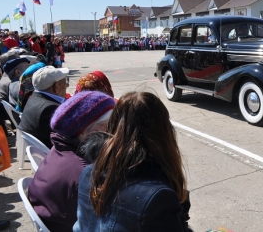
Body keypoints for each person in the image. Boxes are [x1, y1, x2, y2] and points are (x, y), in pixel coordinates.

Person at [74, 91, 192, 232]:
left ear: (112, 128)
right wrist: (181, 212)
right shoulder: (158, 197)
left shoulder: (89, 173)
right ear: (165, 133)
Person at [28, 91, 115, 232]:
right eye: (106, 125)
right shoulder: (84, 172)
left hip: (54, 219)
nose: (112, 131)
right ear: (83, 132)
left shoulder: (60, 149)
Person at [19, 66, 69, 148]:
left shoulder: (33, 98)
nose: (67, 85)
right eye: (65, 81)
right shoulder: (51, 108)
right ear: (56, 86)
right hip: (53, 151)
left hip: (38, 147)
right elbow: (66, 138)